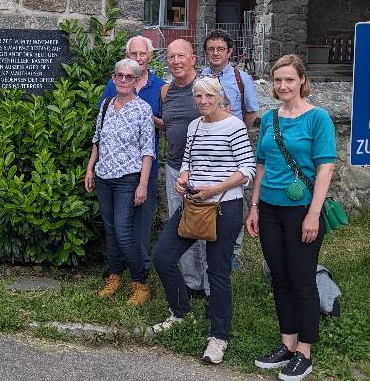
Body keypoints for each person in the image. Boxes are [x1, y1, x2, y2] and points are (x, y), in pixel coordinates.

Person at [152, 77, 255, 365]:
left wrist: (214, 189)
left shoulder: (234, 126)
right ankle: (179, 311)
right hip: (194, 205)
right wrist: (183, 178)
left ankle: (219, 336)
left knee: (218, 271)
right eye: (198, 97)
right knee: (162, 256)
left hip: (225, 207)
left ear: (219, 97)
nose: (203, 101)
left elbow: (246, 169)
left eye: (208, 96)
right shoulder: (195, 126)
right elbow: (187, 160)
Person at [246, 54, 336, 381]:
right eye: (278, 80)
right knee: (279, 278)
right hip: (269, 210)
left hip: (302, 211)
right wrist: (254, 207)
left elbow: (326, 167)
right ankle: (287, 343)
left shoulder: (318, 118)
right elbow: (262, 166)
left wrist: (313, 214)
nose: (283, 85)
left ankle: (304, 353)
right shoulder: (269, 119)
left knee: (302, 280)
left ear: (301, 80)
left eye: (289, 79)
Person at [85, 58, 155, 306]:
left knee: (124, 232)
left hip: (128, 179)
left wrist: (143, 184)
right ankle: (114, 277)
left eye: (129, 77)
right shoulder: (105, 105)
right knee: (111, 230)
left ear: (136, 81)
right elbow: (97, 140)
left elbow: (148, 150)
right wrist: (90, 168)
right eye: (119, 76)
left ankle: (140, 283)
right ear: (113, 78)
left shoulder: (142, 109)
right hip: (104, 177)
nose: (123, 80)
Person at [99, 35, 165, 273]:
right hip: (113, 168)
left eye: (142, 54)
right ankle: (119, 270)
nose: (138, 58)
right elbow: (103, 122)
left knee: (140, 222)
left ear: (150, 56)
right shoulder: (115, 85)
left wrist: (145, 117)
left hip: (144, 164)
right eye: (133, 54)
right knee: (118, 224)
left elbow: (167, 124)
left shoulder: (159, 86)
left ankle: (142, 269)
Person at [199, 28, 260, 270]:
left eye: (220, 49)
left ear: (229, 52)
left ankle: (233, 251)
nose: (215, 53)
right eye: (211, 49)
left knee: (233, 198)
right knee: (208, 194)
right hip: (206, 146)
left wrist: (236, 133)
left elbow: (252, 111)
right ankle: (207, 241)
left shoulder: (240, 79)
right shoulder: (200, 77)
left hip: (231, 147)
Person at [158, 39, 210, 299]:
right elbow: (166, 124)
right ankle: (192, 282)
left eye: (181, 56)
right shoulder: (166, 92)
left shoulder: (204, 88)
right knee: (182, 224)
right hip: (174, 166)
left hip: (203, 171)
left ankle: (211, 283)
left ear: (193, 59)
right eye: (171, 57)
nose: (176, 61)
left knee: (205, 226)